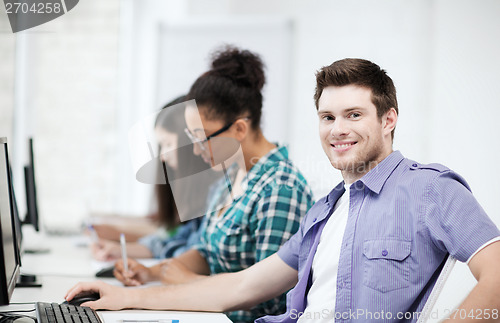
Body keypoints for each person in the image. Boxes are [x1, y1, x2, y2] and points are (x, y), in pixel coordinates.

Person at [67, 58, 500, 322]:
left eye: (353, 114)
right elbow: (237, 288)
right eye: (327, 117)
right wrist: (125, 298)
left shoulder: (429, 189)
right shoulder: (325, 211)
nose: (338, 130)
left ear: (388, 120)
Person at [109, 46, 313, 322]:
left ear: (239, 129)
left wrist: (188, 282)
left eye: (201, 138)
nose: (196, 151)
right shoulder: (229, 177)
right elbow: (207, 252)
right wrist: (155, 272)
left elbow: (271, 303)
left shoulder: (281, 190)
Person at [92, 96, 214, 260]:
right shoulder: (194, 198)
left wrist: (122, 240)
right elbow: (173, 241)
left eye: (168, 144)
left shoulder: (214, 195)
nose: (163, 156)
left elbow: (191, 253)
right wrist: (121, 249)